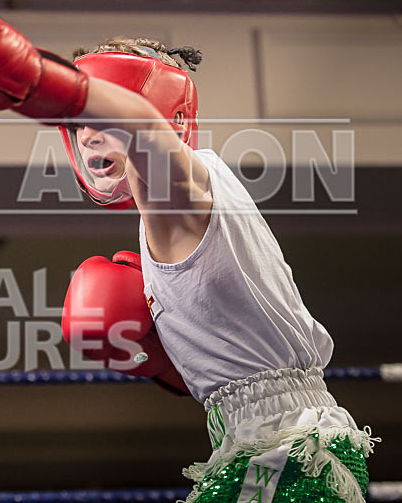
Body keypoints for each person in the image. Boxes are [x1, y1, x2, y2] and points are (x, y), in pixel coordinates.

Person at [58, 37, 378, 503]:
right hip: (275, 444)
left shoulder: (184, 187)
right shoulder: (175, 209)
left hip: (286, 449)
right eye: (77, 119)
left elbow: (148, 136)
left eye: (100, 113)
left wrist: (32, 79)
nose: (87, 133)